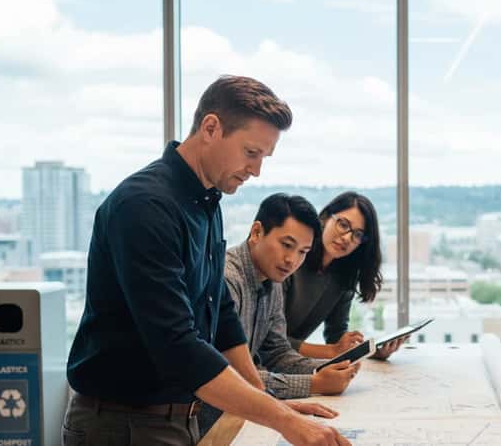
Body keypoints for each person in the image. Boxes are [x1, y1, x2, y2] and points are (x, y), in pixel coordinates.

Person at [63, 75, 349, 446]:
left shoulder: (206, 204)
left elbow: (223, 319)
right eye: (251, 153)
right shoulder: (145, 206)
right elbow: (177, 345)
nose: (257, 170)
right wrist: (284, 422)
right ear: (211, 128)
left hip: (175, 419)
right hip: (123, 425)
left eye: (264, 157)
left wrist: (270, 400)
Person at [199, 193, 361, 436]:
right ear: (256, 233)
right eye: (287, 245)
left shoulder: (271, 280)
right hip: (207, 422)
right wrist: (314, 382)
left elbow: (277, 353)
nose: (292, 260)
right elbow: (231, 375)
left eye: (303, 252)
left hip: (238, 416)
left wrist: (327, 369)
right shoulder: (228, 279)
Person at [284, 191, 407, 360]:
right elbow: (268, 339)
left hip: (286, 363)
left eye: (357, 235)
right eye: (343, 225)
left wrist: (371, 352)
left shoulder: (343, 277)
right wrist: (332, 351)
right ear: (326, 218)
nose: (347, 238)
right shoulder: (291, 260)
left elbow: (336, 337)